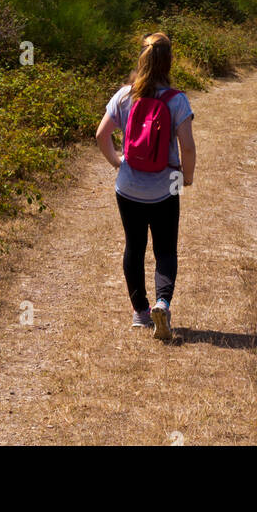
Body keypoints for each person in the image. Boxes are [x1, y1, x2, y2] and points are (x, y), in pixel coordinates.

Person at [95, 32, 196, 340]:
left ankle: (140, 312)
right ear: (169, 61)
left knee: (134, 247)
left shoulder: (124, 95)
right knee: (165, 248)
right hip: (166, 186)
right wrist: (187, 177)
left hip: (128, 186)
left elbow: (101, 135)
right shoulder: (177, 99)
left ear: (142, 59)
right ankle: (163, 304)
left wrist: (117, 161)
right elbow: (188, 148)